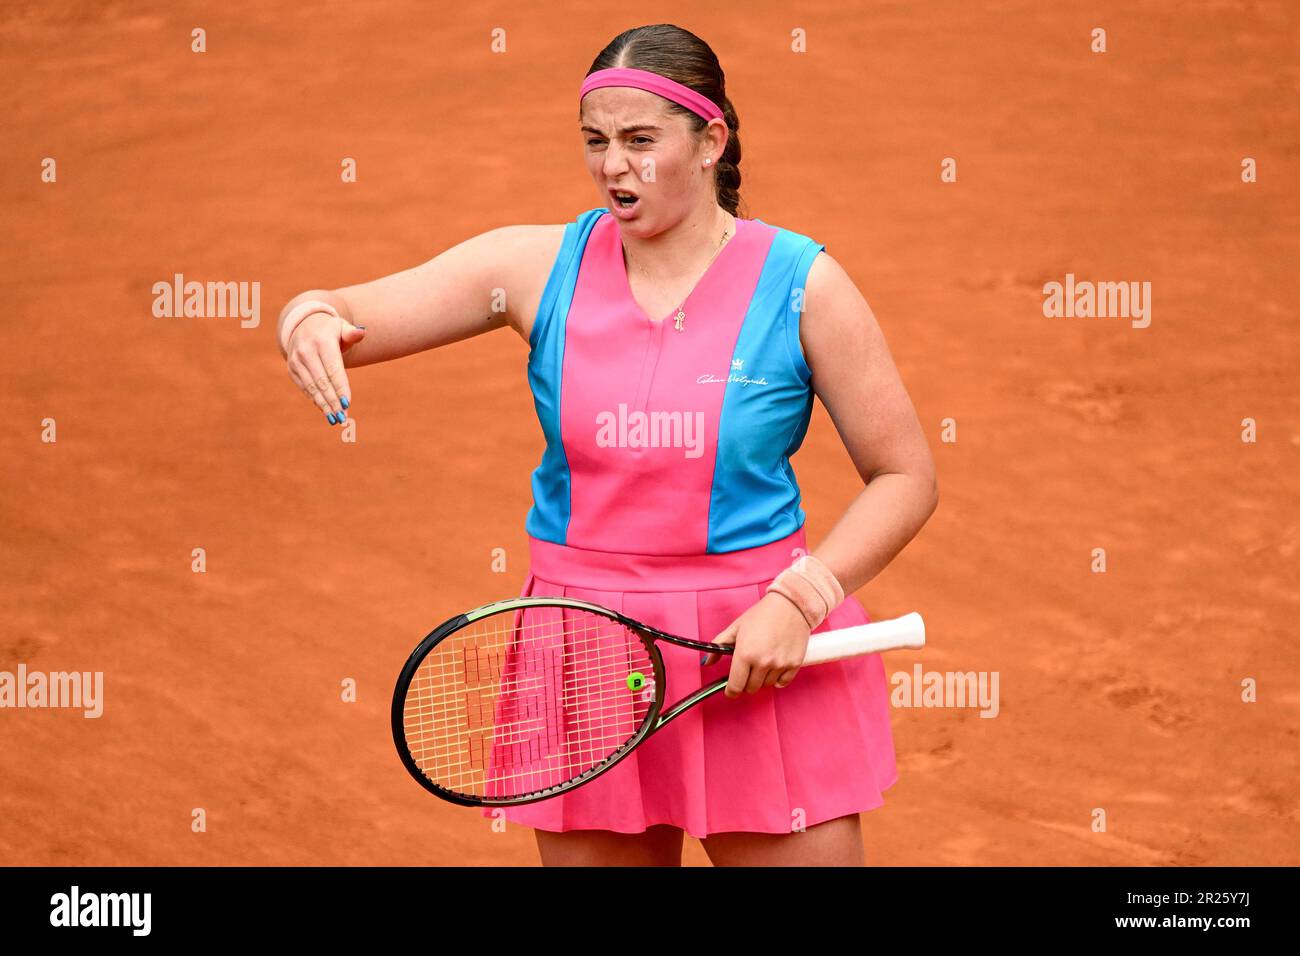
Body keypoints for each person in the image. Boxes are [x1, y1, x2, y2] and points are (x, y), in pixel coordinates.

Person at [275, 23, 937, 867]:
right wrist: (310, 321)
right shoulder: (532, 266)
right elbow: (343, 309)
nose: (612, 165)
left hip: (763, 641)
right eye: (595, 141)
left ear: (711, 143)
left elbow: (906, 474)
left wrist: (800, 600)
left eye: (639, 140)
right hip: (582, 655)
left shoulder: (804, 285)